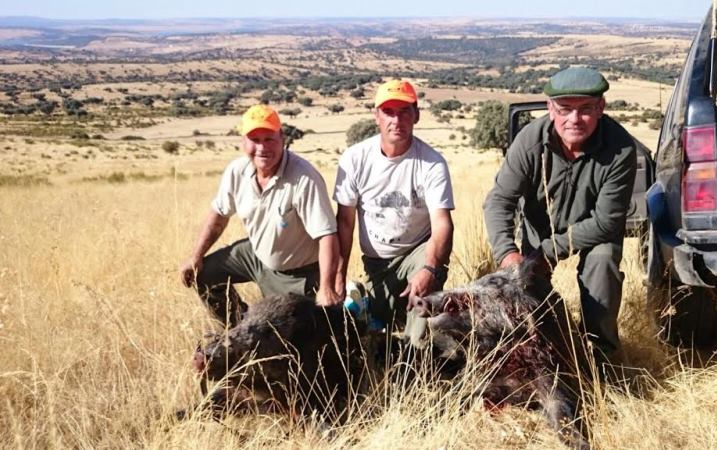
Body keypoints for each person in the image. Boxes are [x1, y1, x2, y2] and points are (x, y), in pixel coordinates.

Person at [484, 67, 637, 361]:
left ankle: (604, 358)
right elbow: (499, 201)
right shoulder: (529, 141)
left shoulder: (621, 148)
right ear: (550, 109)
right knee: (532, 297)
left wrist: (549, 251)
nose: (574, 119)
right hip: (538, 231)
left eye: (585, 109)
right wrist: (507, 254)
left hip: (595, 232)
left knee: (602, 266)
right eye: (565, 109)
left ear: (601, 108)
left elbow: (606, 222)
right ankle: (551, 356)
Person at [180, 104, 340, 326]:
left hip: (297, 272)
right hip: (256, 254)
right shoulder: (237, 171)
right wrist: (195, 256)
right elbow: (218, 216)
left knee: (292, 337)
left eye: (269, 139)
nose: (262, 147)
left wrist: (326, 288)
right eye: (254, 140)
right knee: (204, 275)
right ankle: (239, 329)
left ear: (282, 138)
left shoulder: (304, 178)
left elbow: (327, 236)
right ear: (243, 142)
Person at [333, 80, 455, 341]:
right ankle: (364, 302)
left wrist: (430, 269)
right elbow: (344, 222)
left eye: (404, 112)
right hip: (377, 263)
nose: (396, 120)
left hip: (416, 252)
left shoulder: (432, 163)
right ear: (376, 116)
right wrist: (338, 275)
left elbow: (442, 224)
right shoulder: (355, 159)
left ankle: (414, 355)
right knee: (371, 326)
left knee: (423, 298)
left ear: (416, 115)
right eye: (389, 112)